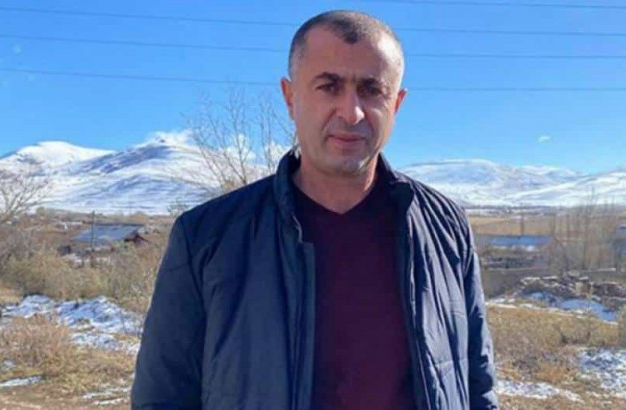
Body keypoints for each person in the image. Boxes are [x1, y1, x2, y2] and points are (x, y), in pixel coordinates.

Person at [132, 10, 498, 410]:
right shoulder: (208, 237)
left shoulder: (444, 228)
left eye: (371, 90)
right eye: (329, 86)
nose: (351, 112)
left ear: (397, 103)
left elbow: (477, 383)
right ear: (290, 98)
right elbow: (162, 397)